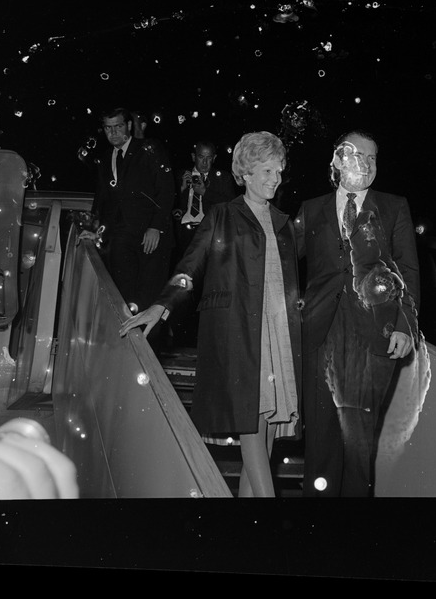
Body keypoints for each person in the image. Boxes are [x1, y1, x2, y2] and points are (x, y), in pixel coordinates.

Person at [120, 131, 302, 498]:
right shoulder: (223, 215)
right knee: (252, 423)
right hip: (239, 332)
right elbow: (191, 266)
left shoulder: (284, 225)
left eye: (278, 171)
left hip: (278, 330)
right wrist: (163, 303)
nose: (274, 179)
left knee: (266, 429)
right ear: (245, 173)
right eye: (266, 171)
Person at [294, 129, 421, 497]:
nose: (365, 163)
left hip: (373, 336)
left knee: (358, 444)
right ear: (337, 158)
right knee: (320, 442)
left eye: (372, 157)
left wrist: (405, 325)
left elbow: (408, 271)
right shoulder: (311, 209)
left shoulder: (393, 207)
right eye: (357, 155)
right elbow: (280, 260)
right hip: (321, 335)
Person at [80, 107, 175, 351]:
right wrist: (96, 231)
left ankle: (152, 356)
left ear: (129, 126)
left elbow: (165, 190)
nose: (113, 133)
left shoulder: (149, 150)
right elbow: (101, 200)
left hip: (150, 239)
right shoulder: (105, 158)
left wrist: (156, 226)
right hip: (121, 239)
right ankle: (128, 355)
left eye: (118, 126)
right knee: (124, 299)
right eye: (108, 128)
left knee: (150, 300)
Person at [172, 139, 238, 257]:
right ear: (193, 157)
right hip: (184, 234)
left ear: (214, 158)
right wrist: (181, 189)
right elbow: (168, 204)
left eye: (209, 158)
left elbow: (231, 205)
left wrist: (205, 192)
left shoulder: (222, 178)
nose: (204, 162)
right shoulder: (179, 175)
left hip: (211, 234)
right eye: (201, 157)